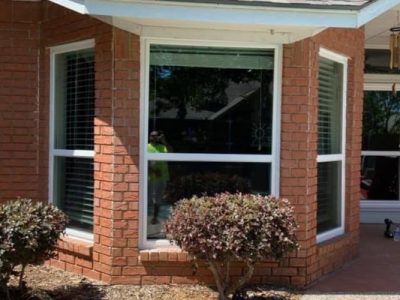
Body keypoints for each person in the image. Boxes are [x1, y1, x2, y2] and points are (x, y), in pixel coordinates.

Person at [147, 131, 170, 224]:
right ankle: (146, 216)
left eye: (157, 136)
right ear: (149, 137)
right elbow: (144, 161)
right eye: (152, 136)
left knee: (158, 198)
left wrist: (164, 141)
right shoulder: (147, 147)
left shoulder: (162, 147)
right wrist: (153, 171)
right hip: (150, 177)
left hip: (162, 177)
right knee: (147, 198)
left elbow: (172, 153)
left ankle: (155, 217)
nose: (155, 137)